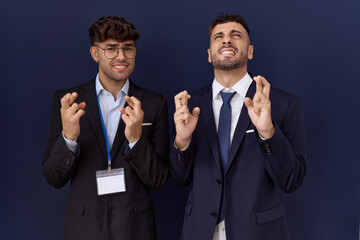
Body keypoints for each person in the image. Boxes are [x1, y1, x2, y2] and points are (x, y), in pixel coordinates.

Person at [170, 13, 306, 240]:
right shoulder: (188, 106)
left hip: (258, 233)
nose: (226, 41)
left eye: (236, 35)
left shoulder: (282, 104)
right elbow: (179, 178)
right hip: (199, 231)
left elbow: (292, 179)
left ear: (250, 51)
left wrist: (267, 132)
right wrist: (182, 142)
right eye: (219, 37)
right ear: (209, 54)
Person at [42, 16, 168, 240]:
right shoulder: (68, 101)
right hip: (83, 228)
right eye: (111, 48)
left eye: (128, 48)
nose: (121, 56)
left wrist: (136, 141)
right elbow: (53, 177)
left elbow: (158, 180)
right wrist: (69, 139)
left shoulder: (154, 104)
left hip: (135, 228)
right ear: (94, 53)